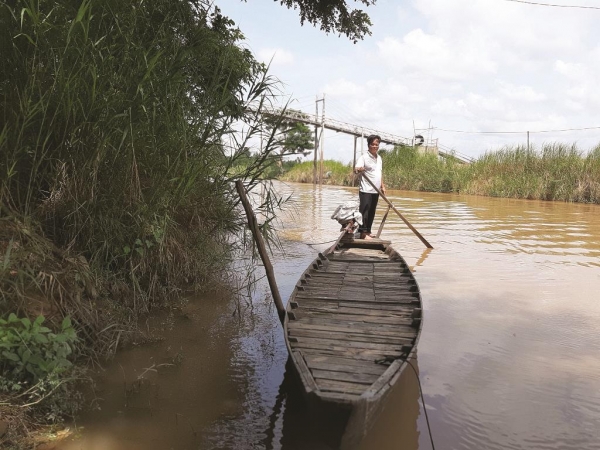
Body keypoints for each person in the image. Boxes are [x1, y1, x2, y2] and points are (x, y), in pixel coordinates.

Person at [354, 135, 386, 240]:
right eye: (372, 144)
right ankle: (363, 233)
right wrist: (359, 169)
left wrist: (382, 186)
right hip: (366, 189)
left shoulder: (379, 158)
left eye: (376, 144)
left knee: (372, 211)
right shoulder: (364, 157)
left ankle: (368, 231)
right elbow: (355, 170)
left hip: (375, 190)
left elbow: (379, 173)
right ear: (369, 145)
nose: (375, 146)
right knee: (365, 211)